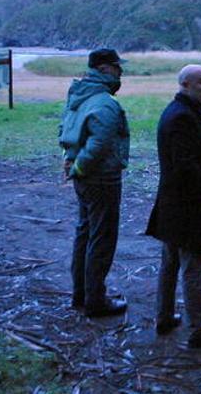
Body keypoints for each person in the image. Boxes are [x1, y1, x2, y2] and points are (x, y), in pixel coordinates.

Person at [146, 64, 201, 348]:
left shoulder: (184, 112)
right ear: (185, 85)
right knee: (193, 265)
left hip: (175, 203)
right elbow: (185, 165)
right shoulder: (181, 116)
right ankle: (199, 329)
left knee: (170, 261)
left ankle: (164, 316)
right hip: (186, 205)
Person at [58, 48, 131, 318]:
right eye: (116, 66)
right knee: (101, 237)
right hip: (102, 177)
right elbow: (100, 142)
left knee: (85, 232)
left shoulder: (78, 94)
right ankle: (96, 300)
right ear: (103, 69)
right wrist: (79, 165)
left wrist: (71, 162)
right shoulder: (104, 102)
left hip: (84, 177)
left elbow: (63, 128)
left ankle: (82, 294)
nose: (120, 71)